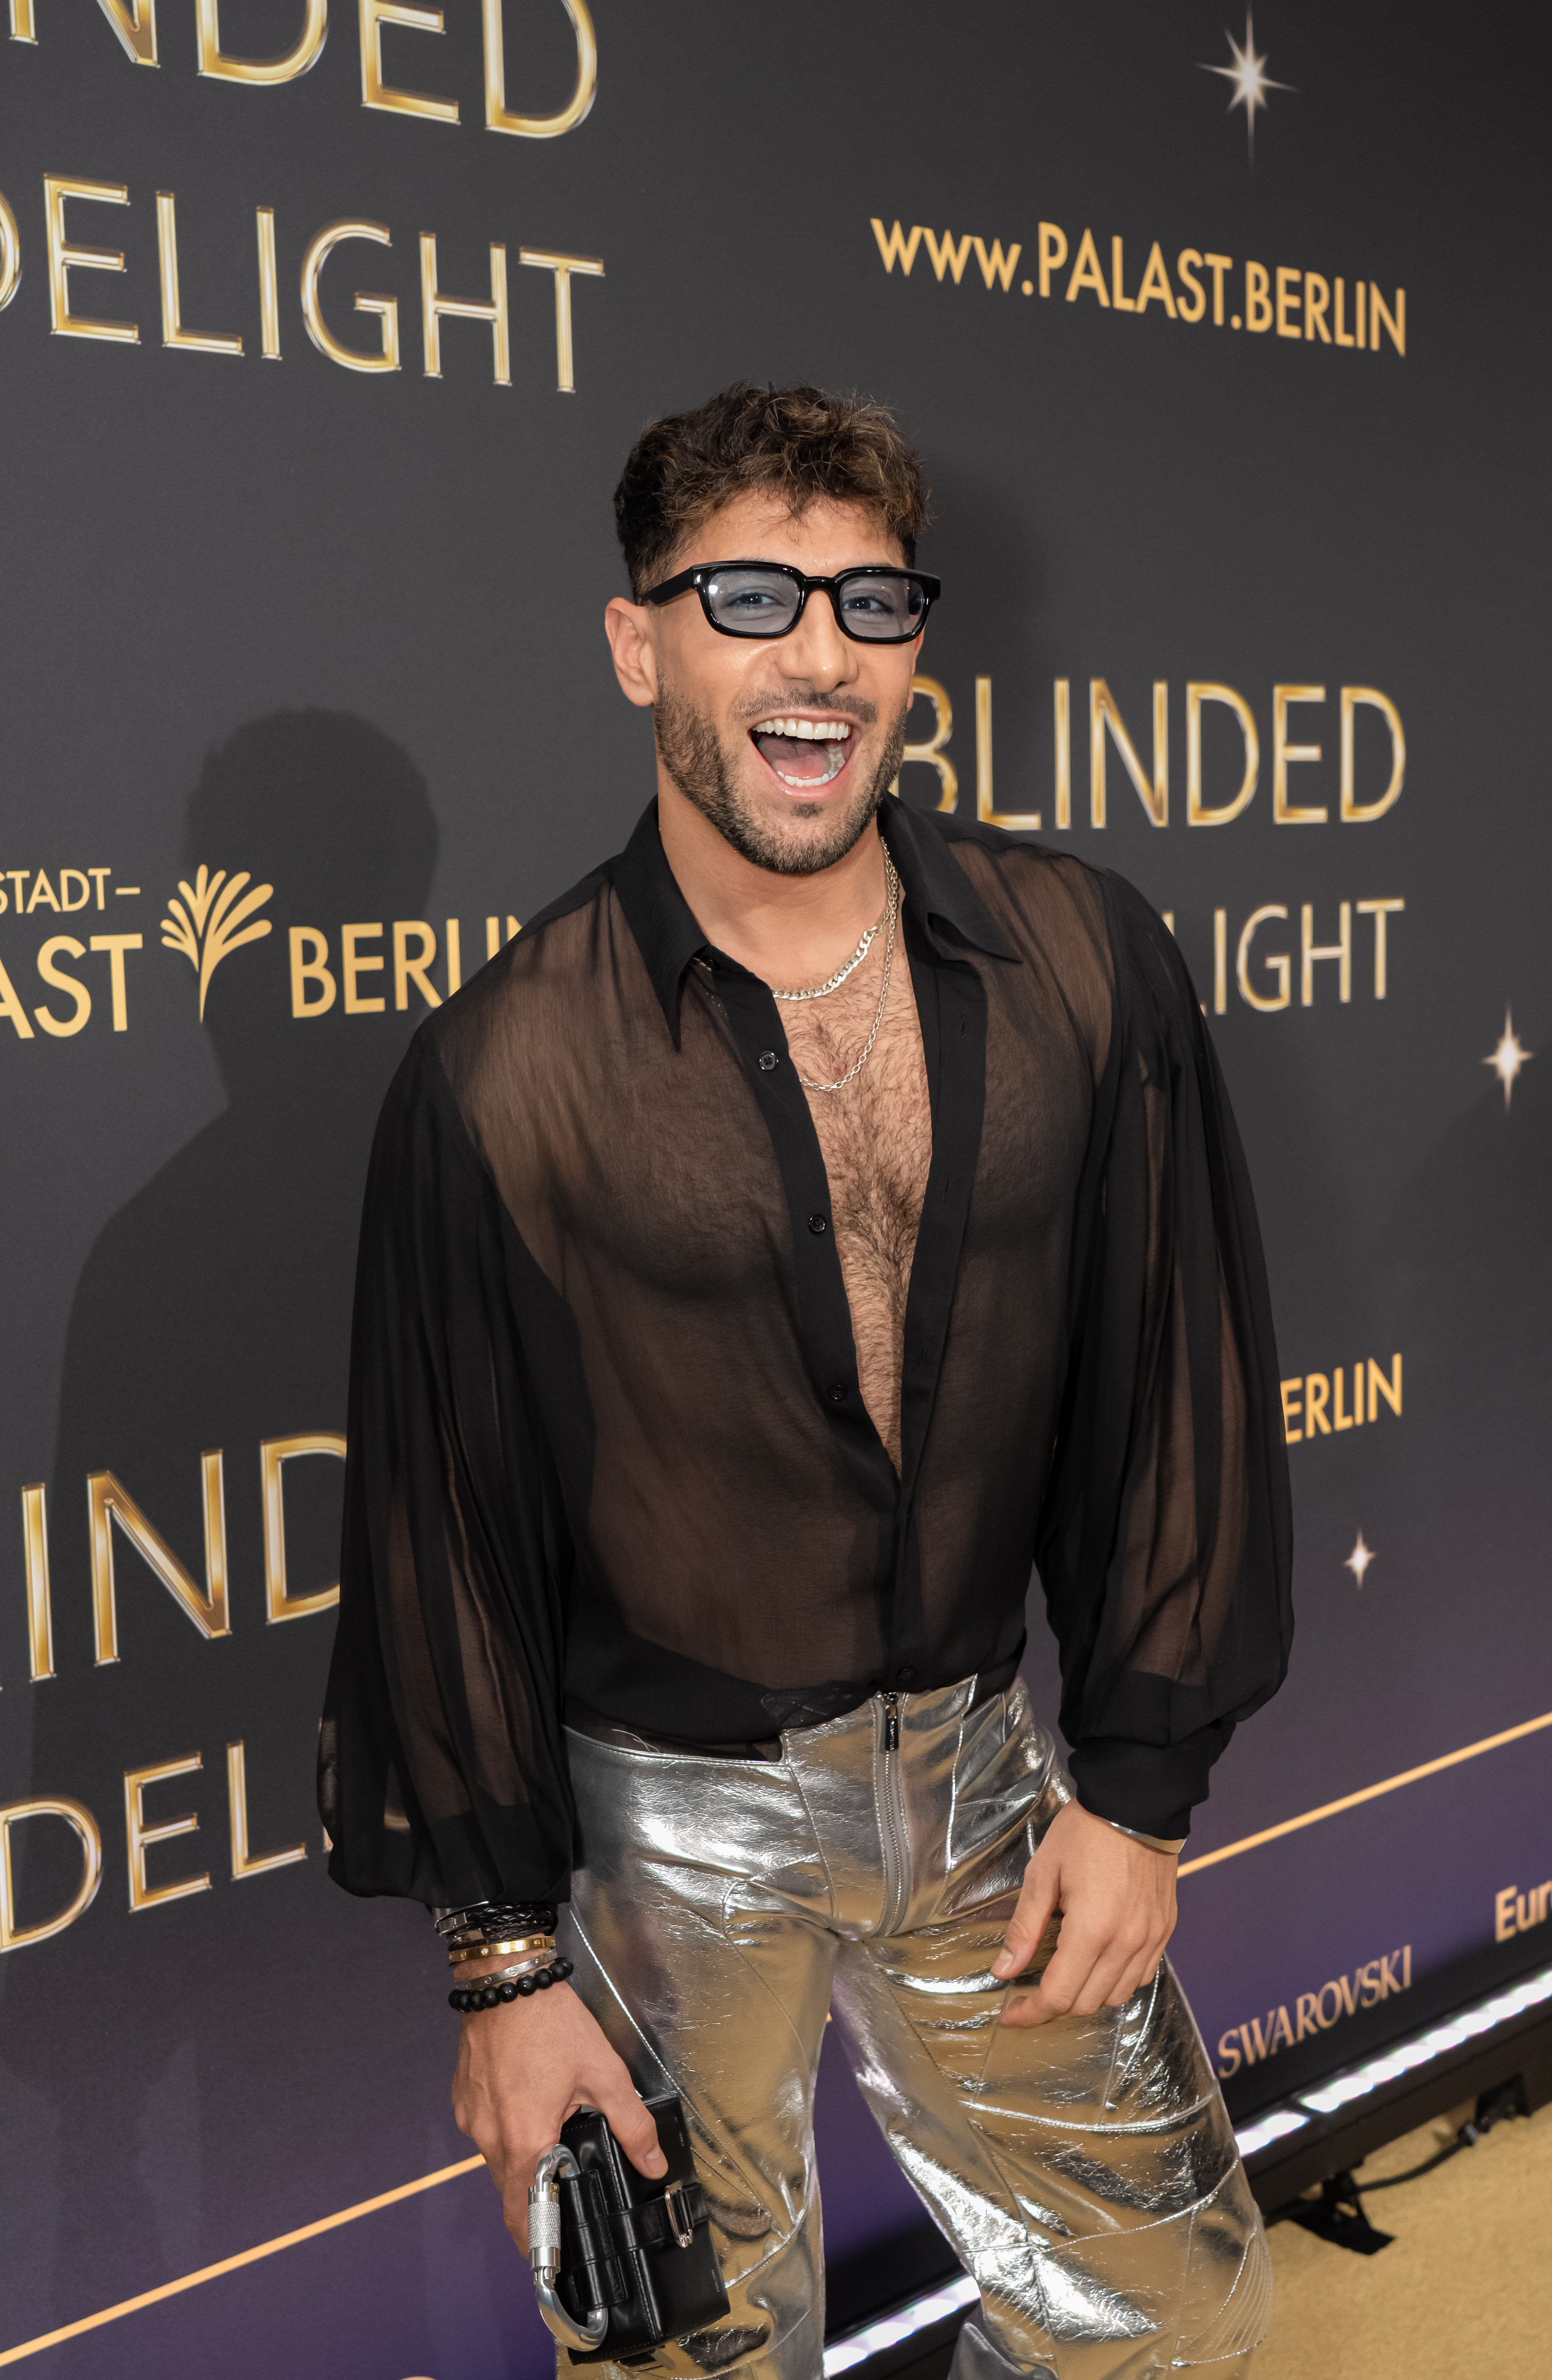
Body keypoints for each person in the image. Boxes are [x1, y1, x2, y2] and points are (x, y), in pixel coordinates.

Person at [319, 382, 1292, 2380]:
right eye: (750, 598)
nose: (820, 656)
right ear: (638, 644)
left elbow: (1171, 1375)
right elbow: (445, 1538)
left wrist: (1138, 1792)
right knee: (688, 2352)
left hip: (984, 1776)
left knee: (1171, 2309)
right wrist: (504, 1969)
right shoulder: (505, 1066)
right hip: (660, 1832)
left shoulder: (1077, 958)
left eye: (871, 600)